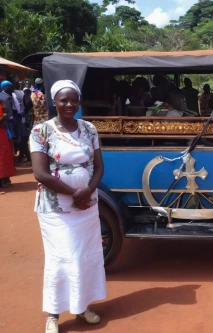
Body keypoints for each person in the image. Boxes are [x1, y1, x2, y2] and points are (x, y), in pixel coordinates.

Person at [30, 80, 106, 333]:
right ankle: (53, 314)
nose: (69, 104)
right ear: (55, 101)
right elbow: (40, 174)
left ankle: (82, 307)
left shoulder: (89, 129)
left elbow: (98, 166)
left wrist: (88, 191)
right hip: (56, 208)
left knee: (84, 257)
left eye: (74, 99)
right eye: (64, 100)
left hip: (87, 205)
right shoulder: (41, 131)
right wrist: (75, 193)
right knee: (61, 257)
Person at [0, 102, 15, 188]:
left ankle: (4, 179)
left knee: (3, 155)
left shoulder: (2, 103)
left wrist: (3, 117)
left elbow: (6, 115)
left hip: (2, 132)